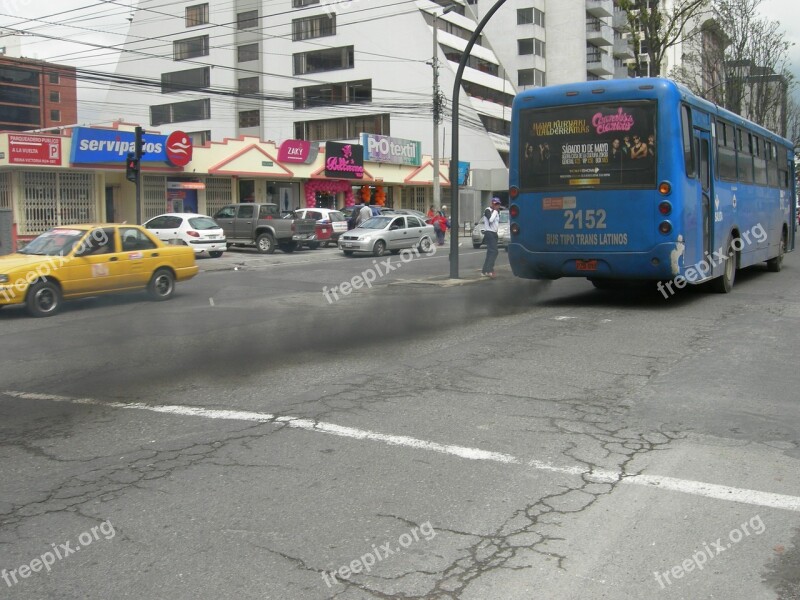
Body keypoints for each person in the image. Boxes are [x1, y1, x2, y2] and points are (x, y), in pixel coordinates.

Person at [481, 198, 502, 278]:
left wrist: (496, 211)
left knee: (490, 252)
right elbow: (490, 220)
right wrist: (496, 211)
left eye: (498, 204)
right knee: (494, 251)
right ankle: (489, 270)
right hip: (489, 233)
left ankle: (485, 270)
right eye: (495, 204)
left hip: (494, 233)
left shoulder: (496, 212)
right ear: (492, 204)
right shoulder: (488, 210)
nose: (497, 205)